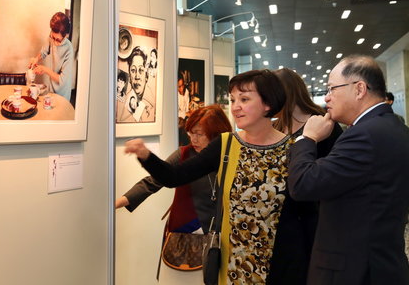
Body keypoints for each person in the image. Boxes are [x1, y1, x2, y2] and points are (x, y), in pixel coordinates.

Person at [124, 69, 290, 284]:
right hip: (232, 261)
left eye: (245, 99)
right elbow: (175, 176)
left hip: (278, 260)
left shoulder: (291, 149)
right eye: (232, 99)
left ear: (268, 103)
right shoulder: (226, 144)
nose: (235, 106)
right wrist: (145, 155)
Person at [288, 55, 409, 285]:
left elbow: (303, 184)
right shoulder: (396, 127)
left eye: (332, 89)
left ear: (359, 89)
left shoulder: (363, 135)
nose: (327, 97)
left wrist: (307, 138)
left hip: (355, 271)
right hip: (382, 263)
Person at [267, 68, 343, 285]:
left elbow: (334, 172)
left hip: (317, 218)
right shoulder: (275, 126)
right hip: (284, 222)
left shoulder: (322, 123)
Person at [116, 105, 232, 236]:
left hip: (225, 229)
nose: (193, 139)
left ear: (216, 134)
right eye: (191, 133)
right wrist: (116, 203)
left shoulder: (230, 154)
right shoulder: (184, 153)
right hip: (188, 231)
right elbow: (154, 181)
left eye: (199, 134)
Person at [29, 12, 73, 101]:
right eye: (52, 37)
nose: (54, 42)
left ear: (65, 36)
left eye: (58, 40)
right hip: (52, 88)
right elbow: (44, 52)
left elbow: (62, 80)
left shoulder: (69, 49)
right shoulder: (51, 37)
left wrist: (45, 70)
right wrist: (36, 59)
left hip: (63, 92)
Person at [117, 46, 154, 122]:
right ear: (130, 76)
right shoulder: (123, 107)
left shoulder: (152, 103)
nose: (137, 76)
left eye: (141, 70)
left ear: (146, 76)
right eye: (133, 70)